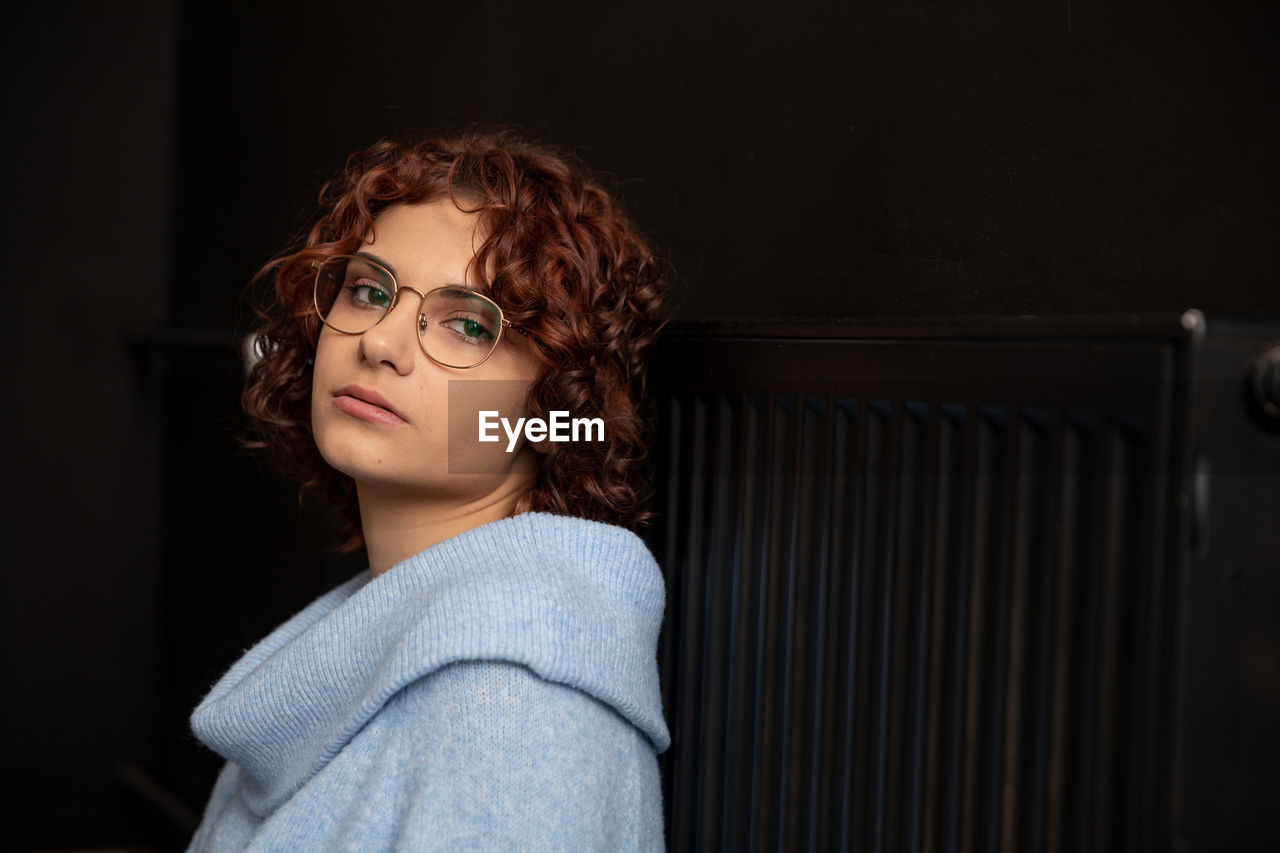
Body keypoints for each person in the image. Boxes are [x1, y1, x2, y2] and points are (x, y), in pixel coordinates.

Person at [186, 132, 671, 851]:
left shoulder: (516, 716)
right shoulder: (389, 640)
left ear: (553, 405)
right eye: (369, 290)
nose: (380, 341)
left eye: (468, 323)